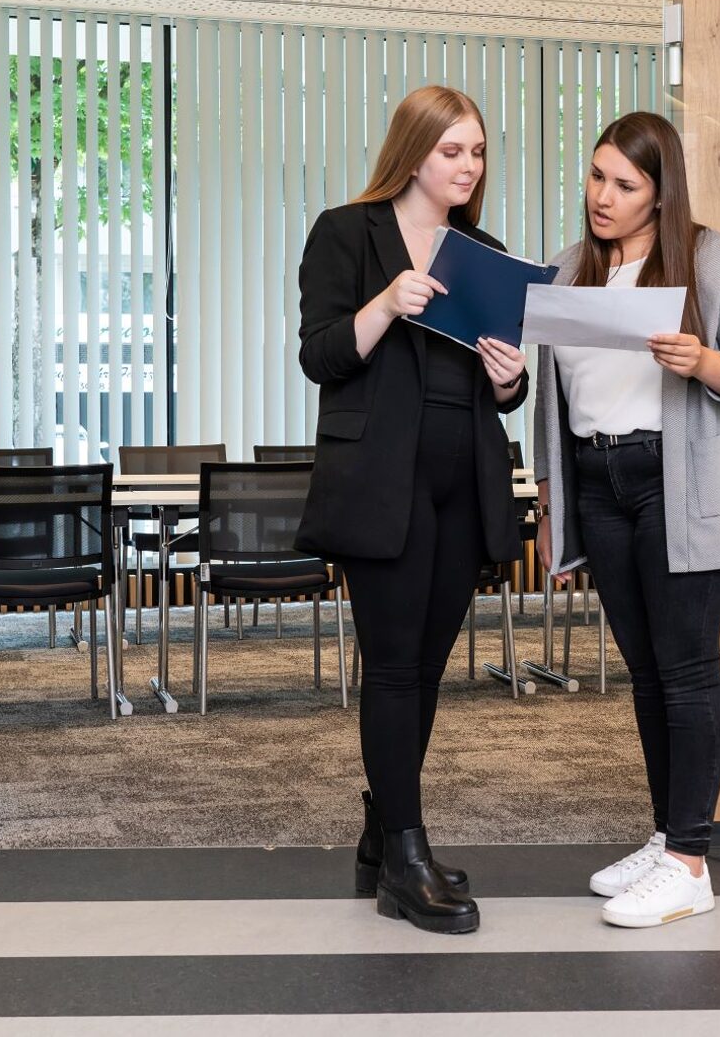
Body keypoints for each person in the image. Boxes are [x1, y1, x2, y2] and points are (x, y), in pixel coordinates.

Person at [532, 111, 720, 929]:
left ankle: (689, 862)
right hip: (597, 483)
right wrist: (548, 502)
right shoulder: (567, 269)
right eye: (597, 175)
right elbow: (554, 400)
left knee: (684, 669)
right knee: (645, 673)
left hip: (678, 483)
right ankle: (668, 836)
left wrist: (705, 363)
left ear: (659, 192)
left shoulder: (708, 258)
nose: (602, 196)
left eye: (624, 184)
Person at [296, 86, 528, 935]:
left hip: (463, 480)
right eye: (451, 151)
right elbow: (321, 356)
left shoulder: (486, 252)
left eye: (476, 152)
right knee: (394, 668)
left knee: (427, 670)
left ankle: (382, 831)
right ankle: (406, 853)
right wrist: (388, 303)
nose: (467, 167)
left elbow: (498, 387)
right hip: (381, 480)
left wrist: (510, 380)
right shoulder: (346, 232)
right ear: (413, 150)